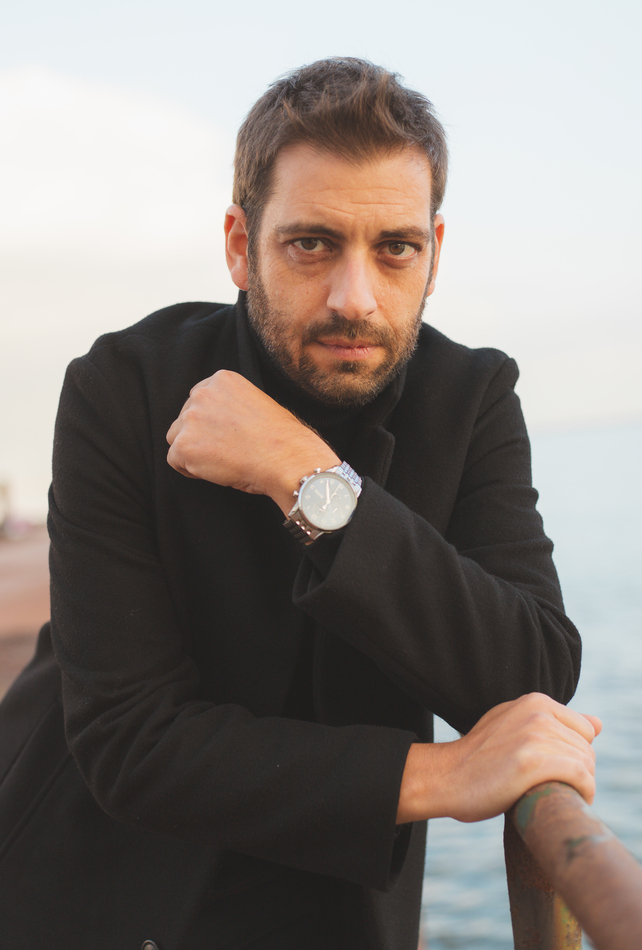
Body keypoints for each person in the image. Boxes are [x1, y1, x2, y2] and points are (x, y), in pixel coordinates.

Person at [0, 58, 599, 950]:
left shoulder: (469, 399)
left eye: (395, 248)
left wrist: (309, 477)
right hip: (88, 889)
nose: (355, 298)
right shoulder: (122, 386)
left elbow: (530, 672)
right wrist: (439, 776)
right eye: (312, 244)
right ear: (239, 245)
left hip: (335, 909)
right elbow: (130, 743)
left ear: (434, 254)